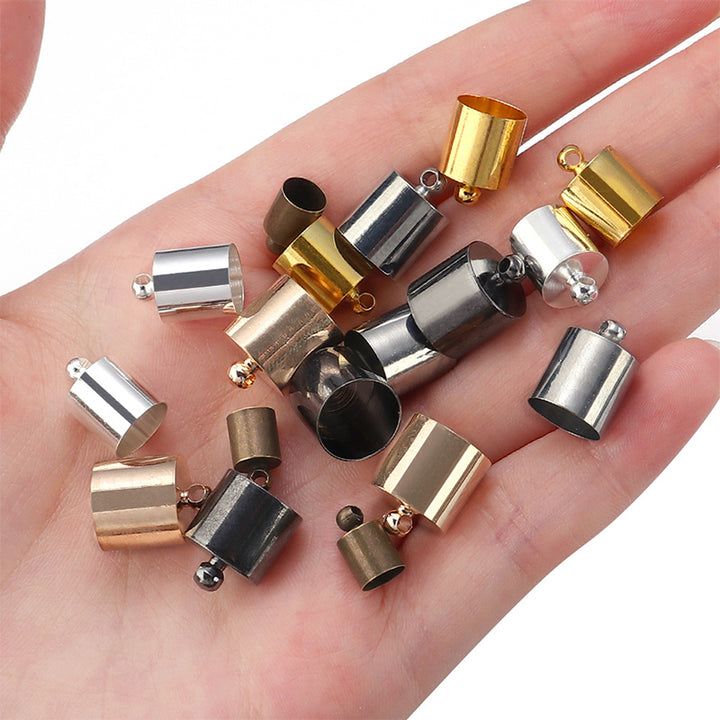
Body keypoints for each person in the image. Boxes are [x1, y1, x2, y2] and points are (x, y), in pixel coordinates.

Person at [1, 1, 718, 718]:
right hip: (365, 363)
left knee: (465, 310)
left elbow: (411, 337)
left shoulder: (475, 293)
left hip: (381, 354)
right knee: (452, 315)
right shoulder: (421, 316)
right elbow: (366, 358)